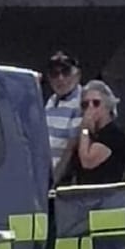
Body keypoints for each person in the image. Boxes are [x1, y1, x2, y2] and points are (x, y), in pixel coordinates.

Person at [67, 80, 125, 185]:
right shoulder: (89, 136)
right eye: (85, 104)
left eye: (96, 103)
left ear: (107, 106)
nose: (90, 108)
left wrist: (84, 129)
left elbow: (87, 161)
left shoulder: (113, 134)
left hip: (104, 192)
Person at [44, 51, 83, 180]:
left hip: (62, 179)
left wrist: (53, 182)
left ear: (77, 75)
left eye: (66, 72)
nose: (60, 78)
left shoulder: (82, 102)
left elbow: (71, 148)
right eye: (54, 74)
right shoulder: (52, 100)